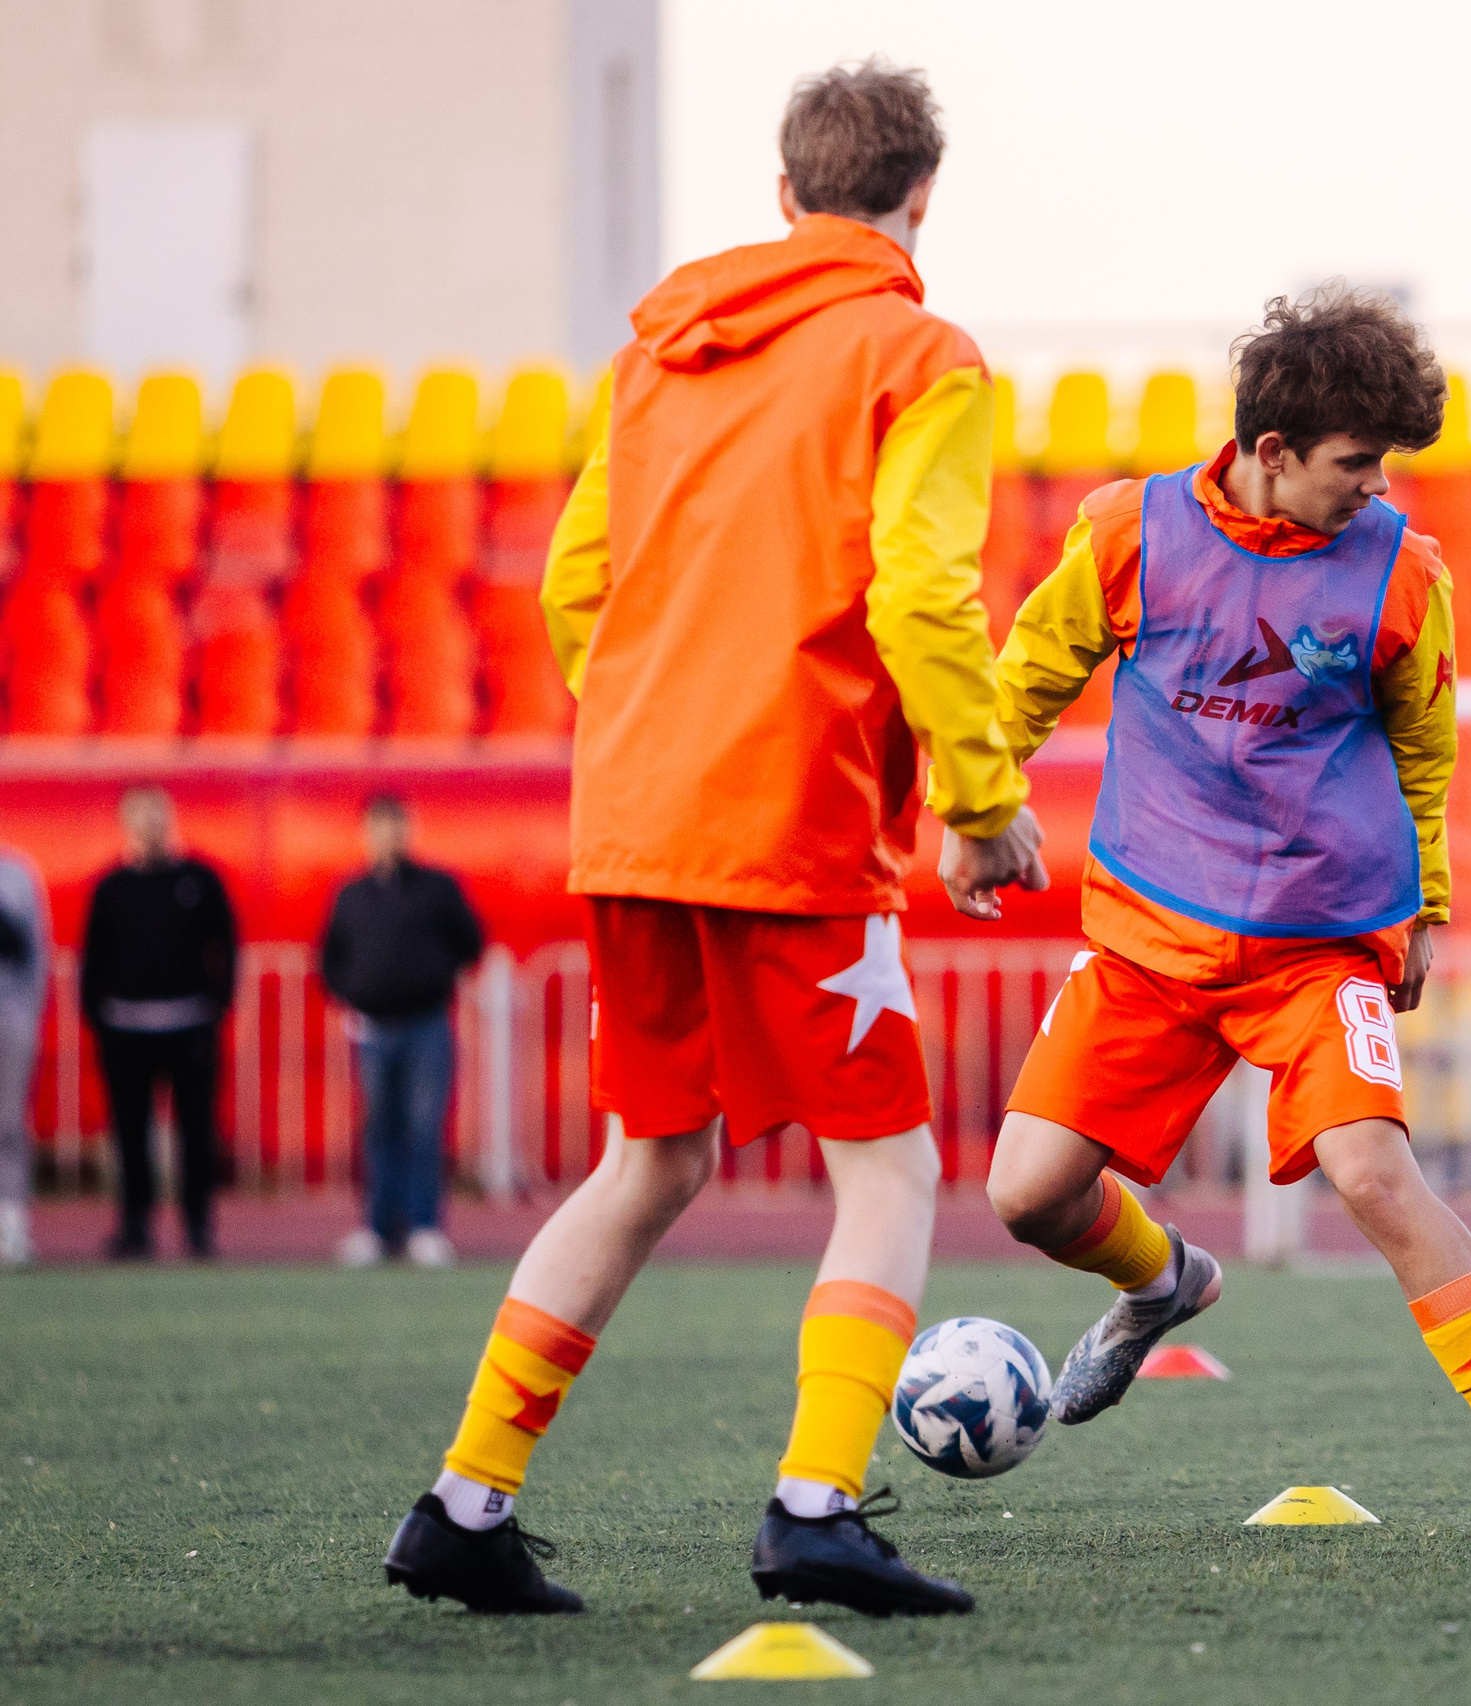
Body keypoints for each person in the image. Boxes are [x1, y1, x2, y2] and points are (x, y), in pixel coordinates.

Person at [382, 57, 1044, 1618]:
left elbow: (572, 593)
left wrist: (651, 738)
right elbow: (921, 595)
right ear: (920, 201)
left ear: (784, 195)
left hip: (633, 815)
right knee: (888, 1166)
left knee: (647, 1156)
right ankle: (815, 1501)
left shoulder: (658, 357)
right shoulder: (920, 353)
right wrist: (981, 798)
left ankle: (465, 1500)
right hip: (790, 813)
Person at [980, 286, 1471, 1542]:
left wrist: (1427, 903)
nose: (1375, 487)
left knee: (1373, 1173)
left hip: (1319, 942)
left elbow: (1425, 747)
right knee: (1027, 1194)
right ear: (1270, 452)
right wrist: (971, 807)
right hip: (1149, 935)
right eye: (1354, 464)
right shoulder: (1126, 531)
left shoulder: (1404, 570)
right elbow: (1028, 675)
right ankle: (1162, 1284)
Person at [322, 794, 486, 1270]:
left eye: (395, 825)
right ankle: (377, 1227)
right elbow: (330, 956)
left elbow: (470, 941)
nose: (388, 835)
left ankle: (424, 1227)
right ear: (365, 833)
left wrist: (431, 977)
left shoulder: (437, 888)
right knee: (379, 1129)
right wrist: (353, 993)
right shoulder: (351, 893)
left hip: (426, 1024)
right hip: (373, 1028)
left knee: (424, 1128)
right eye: (378, 826)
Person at [79, 786, 239, 1261]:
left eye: (157, 818)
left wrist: (217, 1004)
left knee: (196, 1131)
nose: (149, 828)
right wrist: (97, 1014)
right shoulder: (111, 888)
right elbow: (95, 956)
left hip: (189, 1022)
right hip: (125, 1027)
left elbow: (226, 944)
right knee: (130, 1132)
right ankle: (134, 1226)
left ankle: (197, 1227)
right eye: (140, 818)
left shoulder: (200, 880)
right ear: (126, 825)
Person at [0, 838, 50, 1267]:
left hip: (8, 1012)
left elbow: (33, 950)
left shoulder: (15, 873)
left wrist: (28, 1014)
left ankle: (10, 1224)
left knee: (8, 1122)